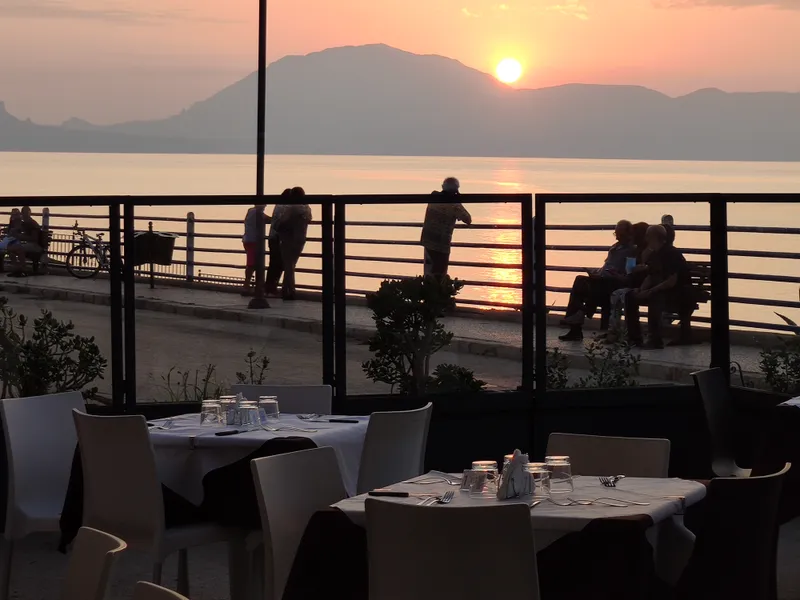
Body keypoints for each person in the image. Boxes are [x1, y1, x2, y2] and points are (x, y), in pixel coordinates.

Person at [558, 220, 635, 341]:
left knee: (583, 286)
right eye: (616, 234)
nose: (618, 237)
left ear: (629, 234)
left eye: (621, 234)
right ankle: (578, 320)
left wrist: (613, 275)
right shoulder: (615, 248)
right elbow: (606, 266)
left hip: (613, 284)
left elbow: (628, 274)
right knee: (580, 283)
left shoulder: (631, 251)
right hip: (602, 281)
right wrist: (596, 273)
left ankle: (578, 318)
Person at [624, 224, 689, 349]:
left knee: (655, 297)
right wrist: (641, 290)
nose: (646, 239)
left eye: (648, 236)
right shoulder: (654, 254)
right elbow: (650, 276)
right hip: (661, 290)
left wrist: (650, 291)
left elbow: (671, 281)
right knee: (630, 296)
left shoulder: (671, 253)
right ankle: (634, 338)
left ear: (655, 237)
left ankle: (655, 339)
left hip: (677, 292)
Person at [420, 177, 472, 277]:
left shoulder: (433, 196)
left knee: (428, 273)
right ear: (456, 190)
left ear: (443, 186)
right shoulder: (454, 205)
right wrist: (458, 202)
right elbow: (468, 219)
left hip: (427, 240)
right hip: (441, 244)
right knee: (439, 274)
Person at [277, 187, 311, 301]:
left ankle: (290, 291)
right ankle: (286, 289)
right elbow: (309, 219)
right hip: (301, 238)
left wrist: (278, 226)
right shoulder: (307, 208)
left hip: (288, 238)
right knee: (291, 265)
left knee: (288, 265)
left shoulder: (291, 208)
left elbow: (282, 221)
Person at [265, 189, 290, 296]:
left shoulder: (278, 205)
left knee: (274, 263)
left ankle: (269, 287)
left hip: (273, 237)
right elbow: (282, 222)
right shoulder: (285, 207)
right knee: (278, 264)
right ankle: (272, 287)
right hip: (278, 238)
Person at [241, 203, 270, 296]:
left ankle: (248, 286)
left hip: (247, 239)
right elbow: (268, 219)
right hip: (253, 241)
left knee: (252, 263)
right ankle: (246, 286)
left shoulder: (250, 211)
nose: (265, 207)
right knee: (251, 264)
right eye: (264, 205)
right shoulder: (257, 213)